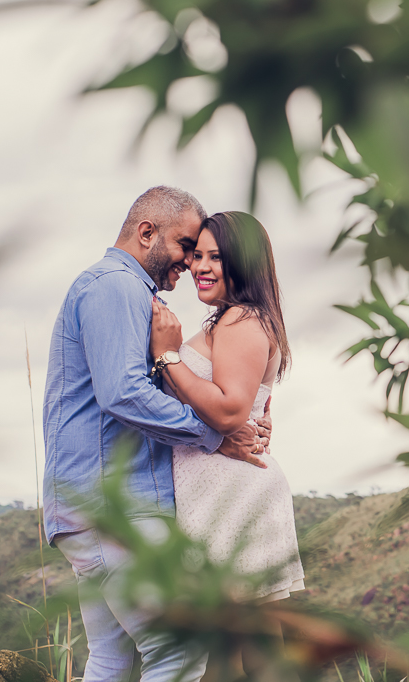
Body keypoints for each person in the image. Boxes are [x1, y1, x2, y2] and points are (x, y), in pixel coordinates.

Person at [42, 187, 270, 682]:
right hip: (111, 510)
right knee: (178, 653)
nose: (190, 263)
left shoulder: (118, 289)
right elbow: (122, 393)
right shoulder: (116, 287)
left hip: (94, 508)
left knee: (112, 658)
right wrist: (214, 436)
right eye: (186, 246)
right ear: (147, 233)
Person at [149, 211, 305, 607]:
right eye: (197, 255)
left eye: (216, 257)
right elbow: (249, 401)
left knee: (231, 648)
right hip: (222, 487)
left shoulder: (241, 318)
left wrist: (168, 356)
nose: (200, 267)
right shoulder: (237, 319)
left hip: (230, 490)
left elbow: (229, 412)